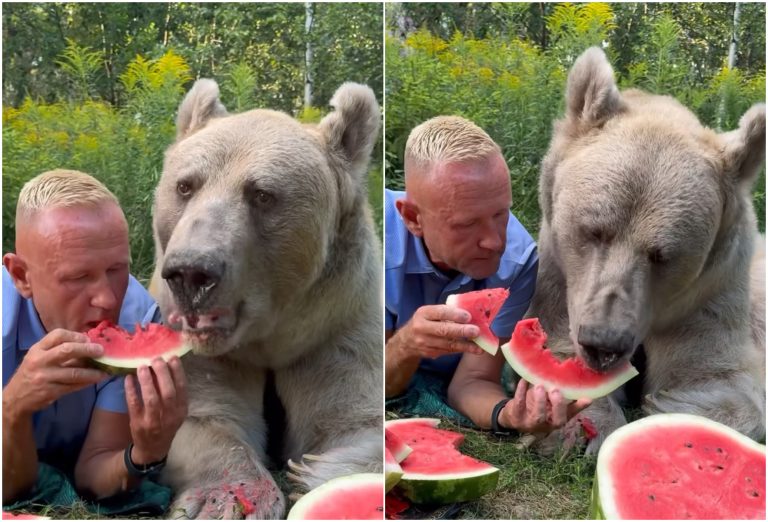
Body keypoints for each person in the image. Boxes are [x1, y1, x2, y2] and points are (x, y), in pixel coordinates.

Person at [385, 116, 590, 435]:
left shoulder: (519, 263)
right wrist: (407, 345)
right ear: (413, 218)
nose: (495, 241)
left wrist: (509, 415)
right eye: (467, 225)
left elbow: (473, 380)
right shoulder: (376, 246)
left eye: (501, 214)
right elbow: (361, 383)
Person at [2, 169, 188, 504]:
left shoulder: (138, 317)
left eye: (117, 270)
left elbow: (93, 474)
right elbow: (9, 490)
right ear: (20, 276)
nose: (107, 299)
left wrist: (144, 453)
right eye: (78, 277)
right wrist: (12, 409)